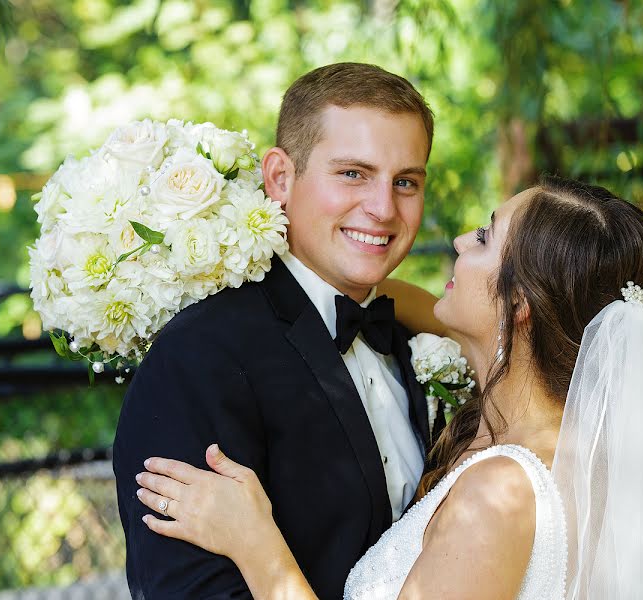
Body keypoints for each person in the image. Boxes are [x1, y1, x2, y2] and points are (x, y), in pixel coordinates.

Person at [134, 176, 643, 599]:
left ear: (521, 303)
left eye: (483, 236)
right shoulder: (549, 443)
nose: (456, 243)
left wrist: (255, 541)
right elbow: (382, 300)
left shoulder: (500, 494)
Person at [113, 62, 440, 599]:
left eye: (405, 182)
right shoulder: (202, 355)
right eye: (353, 173)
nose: (384, 209)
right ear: (280, 178)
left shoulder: (409, 341)